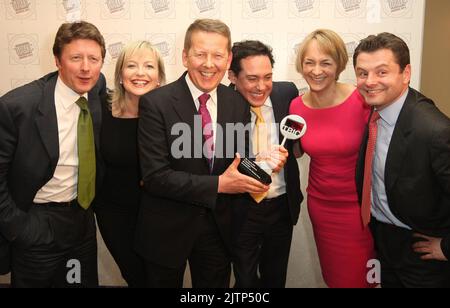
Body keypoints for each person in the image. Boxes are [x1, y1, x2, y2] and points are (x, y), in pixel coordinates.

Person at [134, 19, 269, 288]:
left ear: (229, 59)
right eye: (200, 54)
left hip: (218, 230)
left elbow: (238, 163)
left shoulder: (237, 103)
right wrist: (219, 184)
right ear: (185, 56)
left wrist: (263, 164)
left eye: (218, 55)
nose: (209, 64)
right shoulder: (155, 103)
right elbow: (155, 176)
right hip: (166, 228)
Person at [0, 21, 106, 287]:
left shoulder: (97, 88)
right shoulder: (17, 107)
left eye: (94, 59)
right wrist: (19, 229)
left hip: (82, 222)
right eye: (76, 58)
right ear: (58, 60)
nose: (86, 67)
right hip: (37, 224)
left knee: (80, 283)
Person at [354, 32, 450, 288]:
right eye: (362, 73)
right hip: (384, 238)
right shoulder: (377, 112)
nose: (370, 81)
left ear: (405, 73)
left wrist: (448, 248)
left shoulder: (435, 131)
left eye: (382, 72)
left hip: (422, 252)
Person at [289, 29, 376, 288]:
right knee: (335, 279)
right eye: (310, 62)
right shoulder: (296, 106)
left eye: (325, 62)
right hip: (321, 207)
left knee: (365, 280)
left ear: (338, 64)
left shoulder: (362, 100)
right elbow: (298, 150)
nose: (317, 70)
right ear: (301, 65)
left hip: (361, 211)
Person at [227, 40, 303, 288]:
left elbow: (298, 140)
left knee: (275, 278)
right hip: (241, 209)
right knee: (246, 281)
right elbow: (219, 162)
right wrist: (257, 164)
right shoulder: (220, 107)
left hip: (281, 207)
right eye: (252, 79)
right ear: (233, 77)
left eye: (267, 77)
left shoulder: (286, 93)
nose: (261, 87)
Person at [94, 41, 165, 287]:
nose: (140, 73)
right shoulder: (102, 109)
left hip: (158, 213)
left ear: (159, 77)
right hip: (114, 213)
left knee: (159, 278)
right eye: (131, 66)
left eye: (149, 66)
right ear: (121, 76)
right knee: (134, 276)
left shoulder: (171, 114)